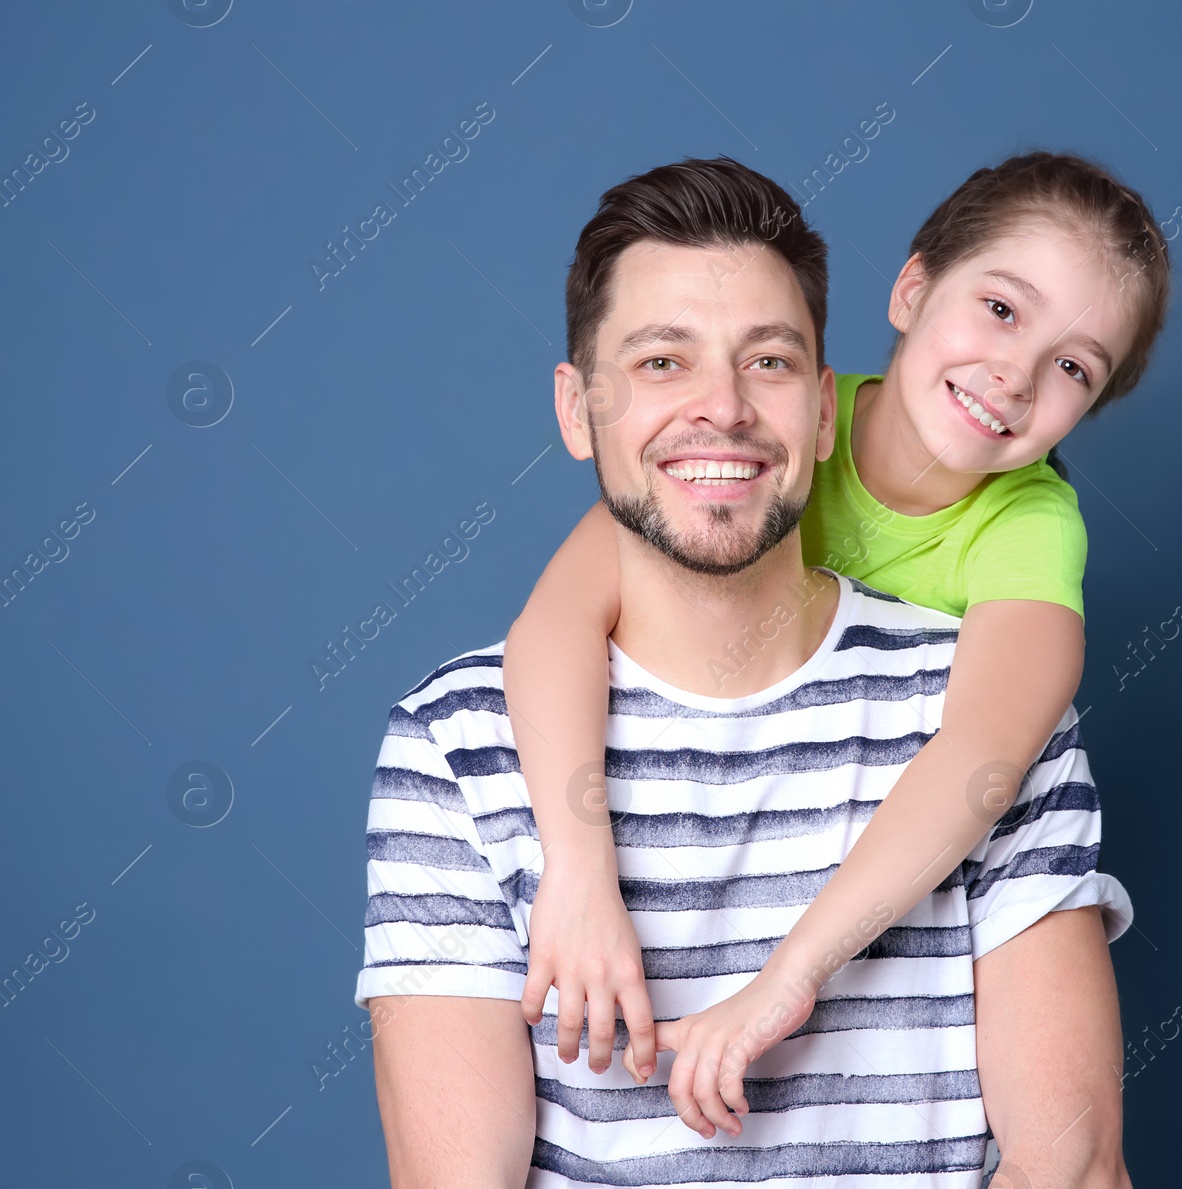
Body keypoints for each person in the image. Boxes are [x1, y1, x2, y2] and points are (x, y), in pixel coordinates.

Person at [357, 157, 1137, 1187]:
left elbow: (1071, 1167)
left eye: (766, 362)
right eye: (661, 362)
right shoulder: (458, 744)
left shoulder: (1013, 608)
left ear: (817, 412)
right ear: (578, 408)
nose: (719, 409)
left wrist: (788, 978)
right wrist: (578, 874)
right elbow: (553, 620)